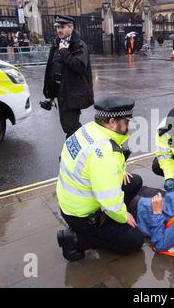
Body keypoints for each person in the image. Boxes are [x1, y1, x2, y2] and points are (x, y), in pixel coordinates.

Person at [56, 96, 144, 261]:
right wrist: (123, 216)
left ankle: (109, 225)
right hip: (82, 216)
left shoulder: (90, 129)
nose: (129, 126)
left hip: (71, 203)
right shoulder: (104, 154)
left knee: (135, 181)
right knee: (134, 240)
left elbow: (97, 170)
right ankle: (76, 240)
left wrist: (119, 173)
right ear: (111, 122)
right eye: (126, 122)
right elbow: (108, 200)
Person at [43, 15, 94, 138]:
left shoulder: (79, 45)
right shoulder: (58, 43)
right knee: (67, 124)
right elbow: (52, 67)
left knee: (71, 126)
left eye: (62, 27)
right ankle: (77, 148)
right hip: (62, 91)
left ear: (71, 28)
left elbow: (80, 67)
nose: (59, 30)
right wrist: (50, 93)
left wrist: (65, 52)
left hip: (73, 93)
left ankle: (78, 150)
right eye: (57, 27)